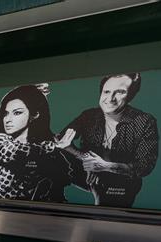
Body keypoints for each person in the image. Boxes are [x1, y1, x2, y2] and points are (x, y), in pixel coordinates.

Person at [63, 73, 158, 207]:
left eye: (120, 92)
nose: (110, 98)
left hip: (121, 181)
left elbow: (143, 166)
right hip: (87, 173)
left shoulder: (144, 121)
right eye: (106, 91)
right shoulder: (89, 115)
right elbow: (61, 140)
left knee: (105, 217)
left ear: (131, 95)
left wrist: (105, 166)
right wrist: (87, 160)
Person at [0, 85, 74, 202]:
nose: (8, 119)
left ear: (34, 115)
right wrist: (55, 146)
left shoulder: (48, 152)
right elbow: (16, 153)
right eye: (5, 113)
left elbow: (61, 185)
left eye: (17, 113)